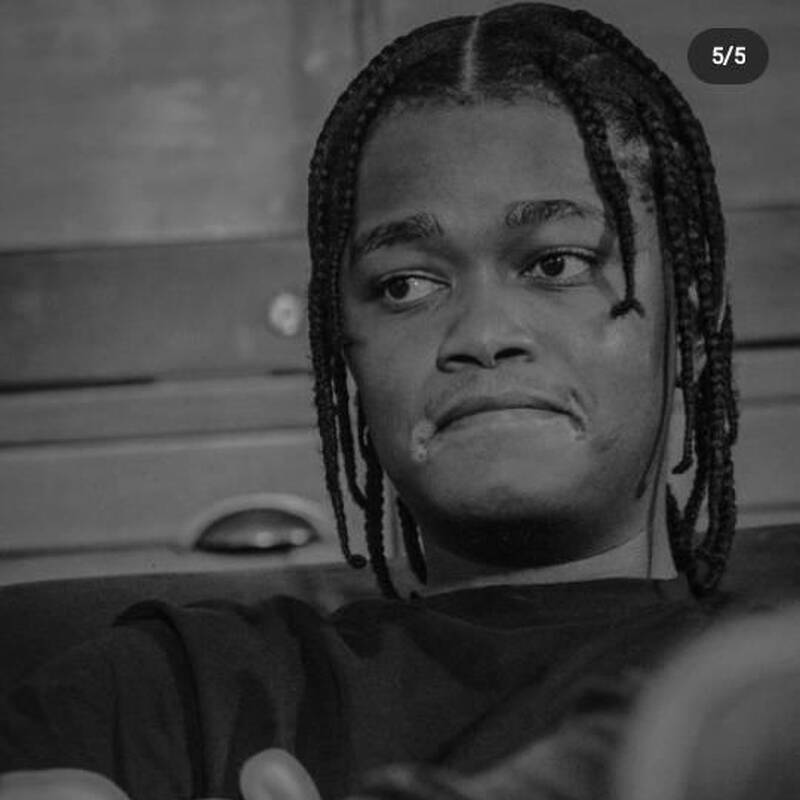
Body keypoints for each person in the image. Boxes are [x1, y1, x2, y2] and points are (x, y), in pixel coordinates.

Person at [0, 3, 742, 799]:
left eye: (555, 264)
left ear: (692, 323)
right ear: (346, 348)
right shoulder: (164, 692)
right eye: (405, 285)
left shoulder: (769, 685)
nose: (483, 334)